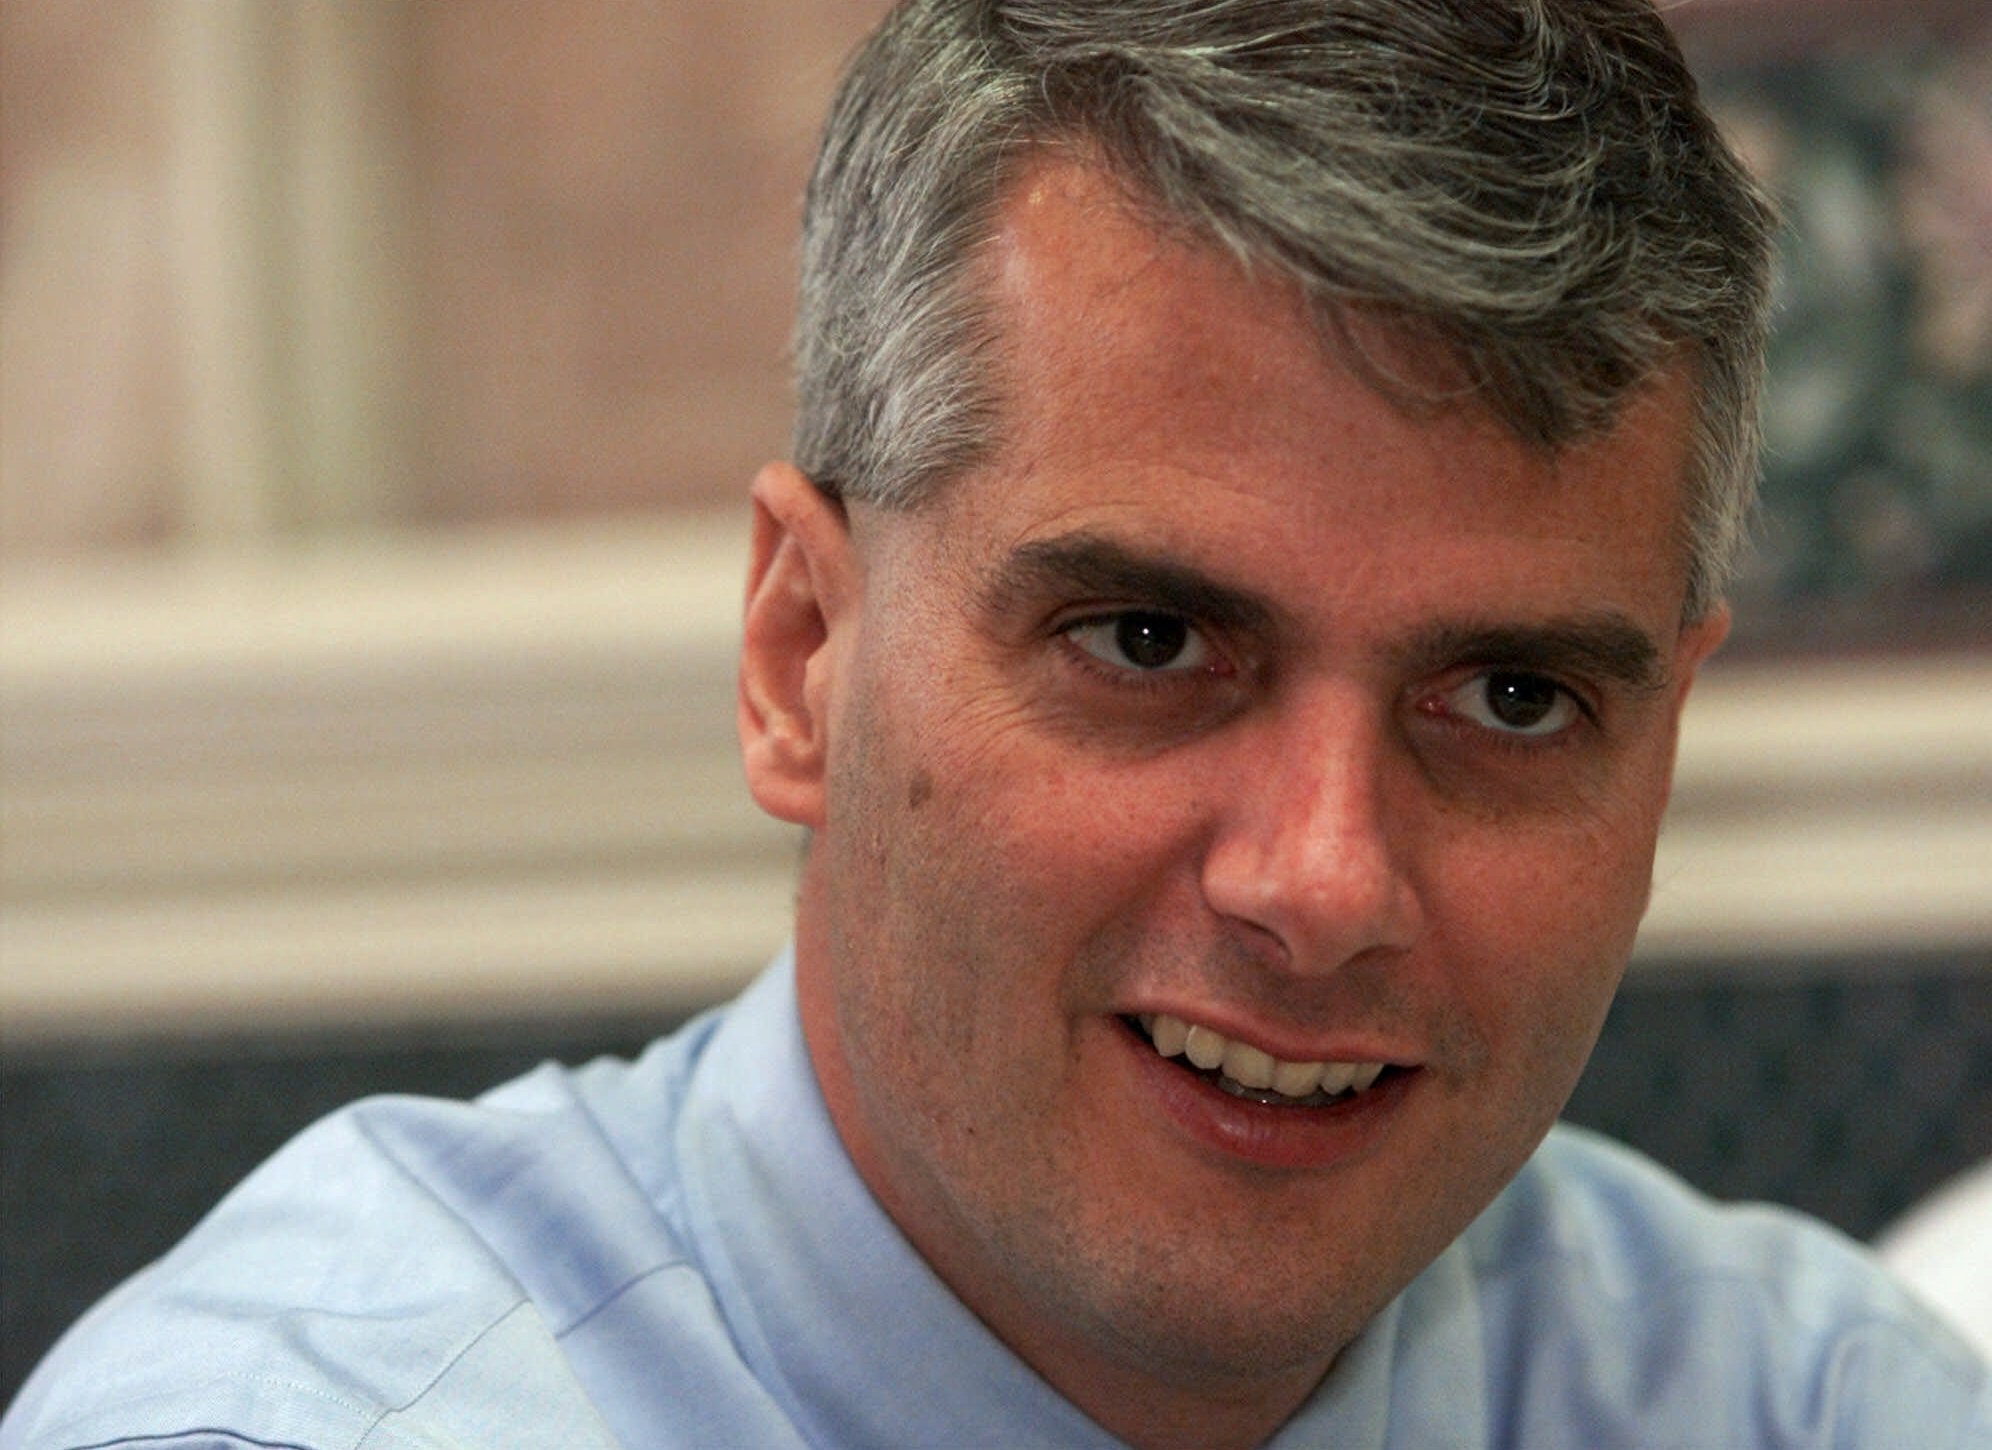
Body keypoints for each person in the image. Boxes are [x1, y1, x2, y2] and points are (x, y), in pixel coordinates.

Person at [5, 2, 1987, 1446]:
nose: (1321, 880)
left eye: (1514, 697)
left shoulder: (1807, 1401)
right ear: (799, 653)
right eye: (1148, 639)